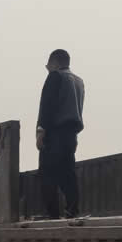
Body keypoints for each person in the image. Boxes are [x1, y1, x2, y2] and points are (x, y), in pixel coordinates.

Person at [36, 49, 85, 218]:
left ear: (55, 63)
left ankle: (52, 214)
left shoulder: (55, 76)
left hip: (55, 133)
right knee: (67, 172)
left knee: (47, 173)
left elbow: (47, 106)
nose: (47, 68)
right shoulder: (79, 82)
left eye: (48, 65)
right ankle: (72, 209)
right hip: (71, 135)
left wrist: (41, 131)